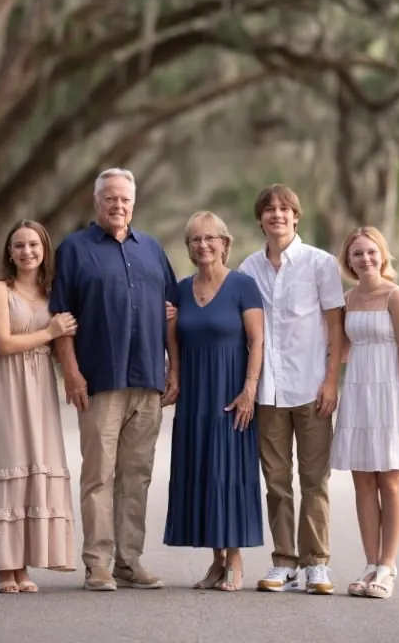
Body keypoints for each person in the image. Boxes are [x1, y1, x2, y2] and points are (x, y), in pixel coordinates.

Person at [49, 167, 178, 592]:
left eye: (124, 199)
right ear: (96, 202)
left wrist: (173, 369)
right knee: (99, 475)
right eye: (110, 198)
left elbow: (172, 313)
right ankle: (97, 564)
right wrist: (71, 371)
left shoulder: (152, 250)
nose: (118, 205)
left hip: (147, 381)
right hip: (100, 380)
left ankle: (129, 560)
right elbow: (61, 318)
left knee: (136, 475)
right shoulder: (74, 249)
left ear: (133, 203)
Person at [239, 184, 344, 595]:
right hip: (269, 392)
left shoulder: (320, 264)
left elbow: (335, 326)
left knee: (315, 478)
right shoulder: (248, 269)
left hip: (312, 387)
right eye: (269, 209)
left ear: (296, 217)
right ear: (260, 218)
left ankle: (317, 563)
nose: (277, 215)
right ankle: (284, 561)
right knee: (277, 480)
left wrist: (332, 380)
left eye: (285, 209)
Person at [0, 220, 78, 593]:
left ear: (44, 249)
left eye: (34, 244)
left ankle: (24, 565)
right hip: (10, 383)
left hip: (41, 386)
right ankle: (4, 566)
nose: (27, 251)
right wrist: (50, 332)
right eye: (19, 245)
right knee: (10, 459)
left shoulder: (52, 293)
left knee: (37, 460)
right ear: (9, 252)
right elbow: (3, 343)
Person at [164, 212, 264, 591]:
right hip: (194, 397)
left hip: (232, 392)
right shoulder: (179, 289)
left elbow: (257, 341)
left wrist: (249, 389)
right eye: (195, 240)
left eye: (210, 238)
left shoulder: (243, 286)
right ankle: (216, 561)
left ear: (225, 243)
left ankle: (235, 559)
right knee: (202, 471)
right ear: (189, 248)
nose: (203, 245)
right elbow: (173, 338)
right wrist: (174, 373)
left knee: (230, 472)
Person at [331, 226, 399, 599]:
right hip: (357, 392)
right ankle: (370, 564)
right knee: (364, 483)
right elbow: (338, 350)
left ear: (382, 255)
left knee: (390, 482)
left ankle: (387, 567)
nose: (365, 259)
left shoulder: (396, 296)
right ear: (349, 261)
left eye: (371, 252)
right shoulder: (348, 300)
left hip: (390, 393)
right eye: (358, 254)